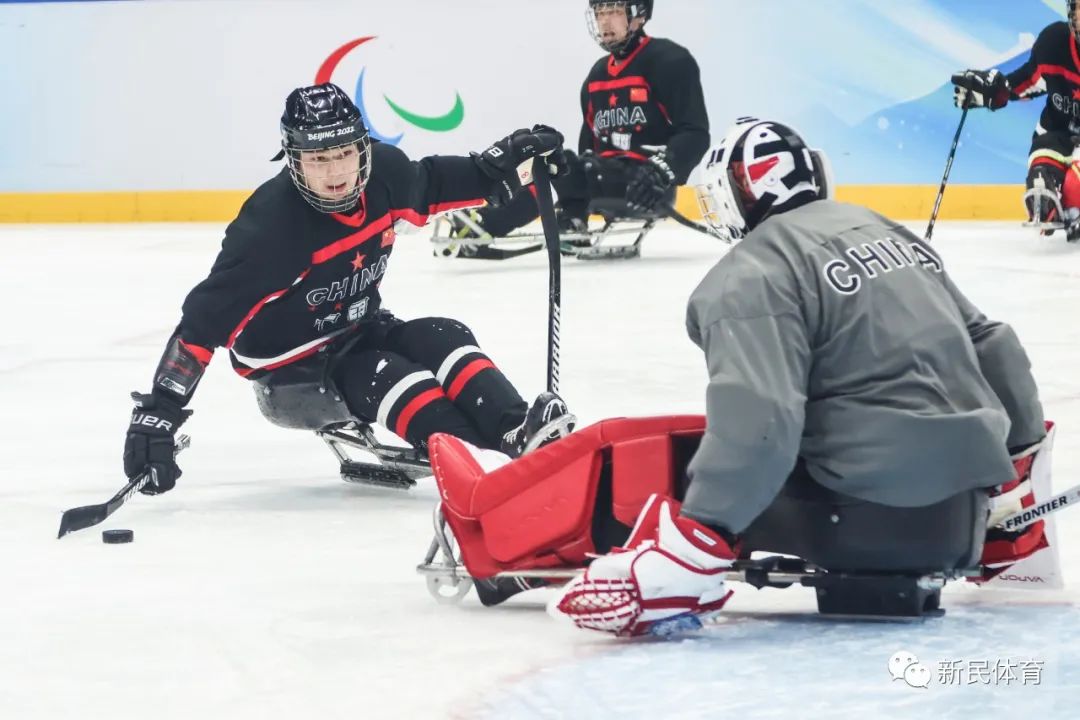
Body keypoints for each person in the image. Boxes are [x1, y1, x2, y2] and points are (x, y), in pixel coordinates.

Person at [423, 118, 1051, 636]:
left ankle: (489, 528)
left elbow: (761, 424)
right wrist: (1015, 487)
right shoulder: (884, 230)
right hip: (964, 508)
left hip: (868, 513)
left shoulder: (749, 274)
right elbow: (993, 346)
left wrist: (698, 544)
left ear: (731, 196)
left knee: (662, 452)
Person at [122, 82, 573, 495]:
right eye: (318, 159)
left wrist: (509, 162)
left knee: (443, 333)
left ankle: (519, 434)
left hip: (356, 326)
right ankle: (486, 463)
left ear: (363, 149)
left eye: (343, 154)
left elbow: (437, 184)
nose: (335, 172)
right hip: (288, 374)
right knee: (390, 373)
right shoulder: (270, 229)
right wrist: (159, 412)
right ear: (294, 161)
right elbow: (202, 324)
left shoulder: (385, 176)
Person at [448, 0, 709, 253]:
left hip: (648, 185)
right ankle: (572, 219)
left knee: (563, 169)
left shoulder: (669, 61)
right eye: (599, 13)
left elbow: (695, 133)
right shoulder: (596, 76)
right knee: (548, 160)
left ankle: (489, 223)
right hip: (603, 177)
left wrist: (662, 169)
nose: (605, 21)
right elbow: (589, 148)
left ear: (639, 15)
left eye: (615, 11)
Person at [951, 1, 1080, 240]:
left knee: (1075, 188)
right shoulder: (1054, 43)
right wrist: (994, 92)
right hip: (1057, 134)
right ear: (1071, 11)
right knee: (1041, 183)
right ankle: (1060, 202)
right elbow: (1027, 81)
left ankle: (1074, 201)